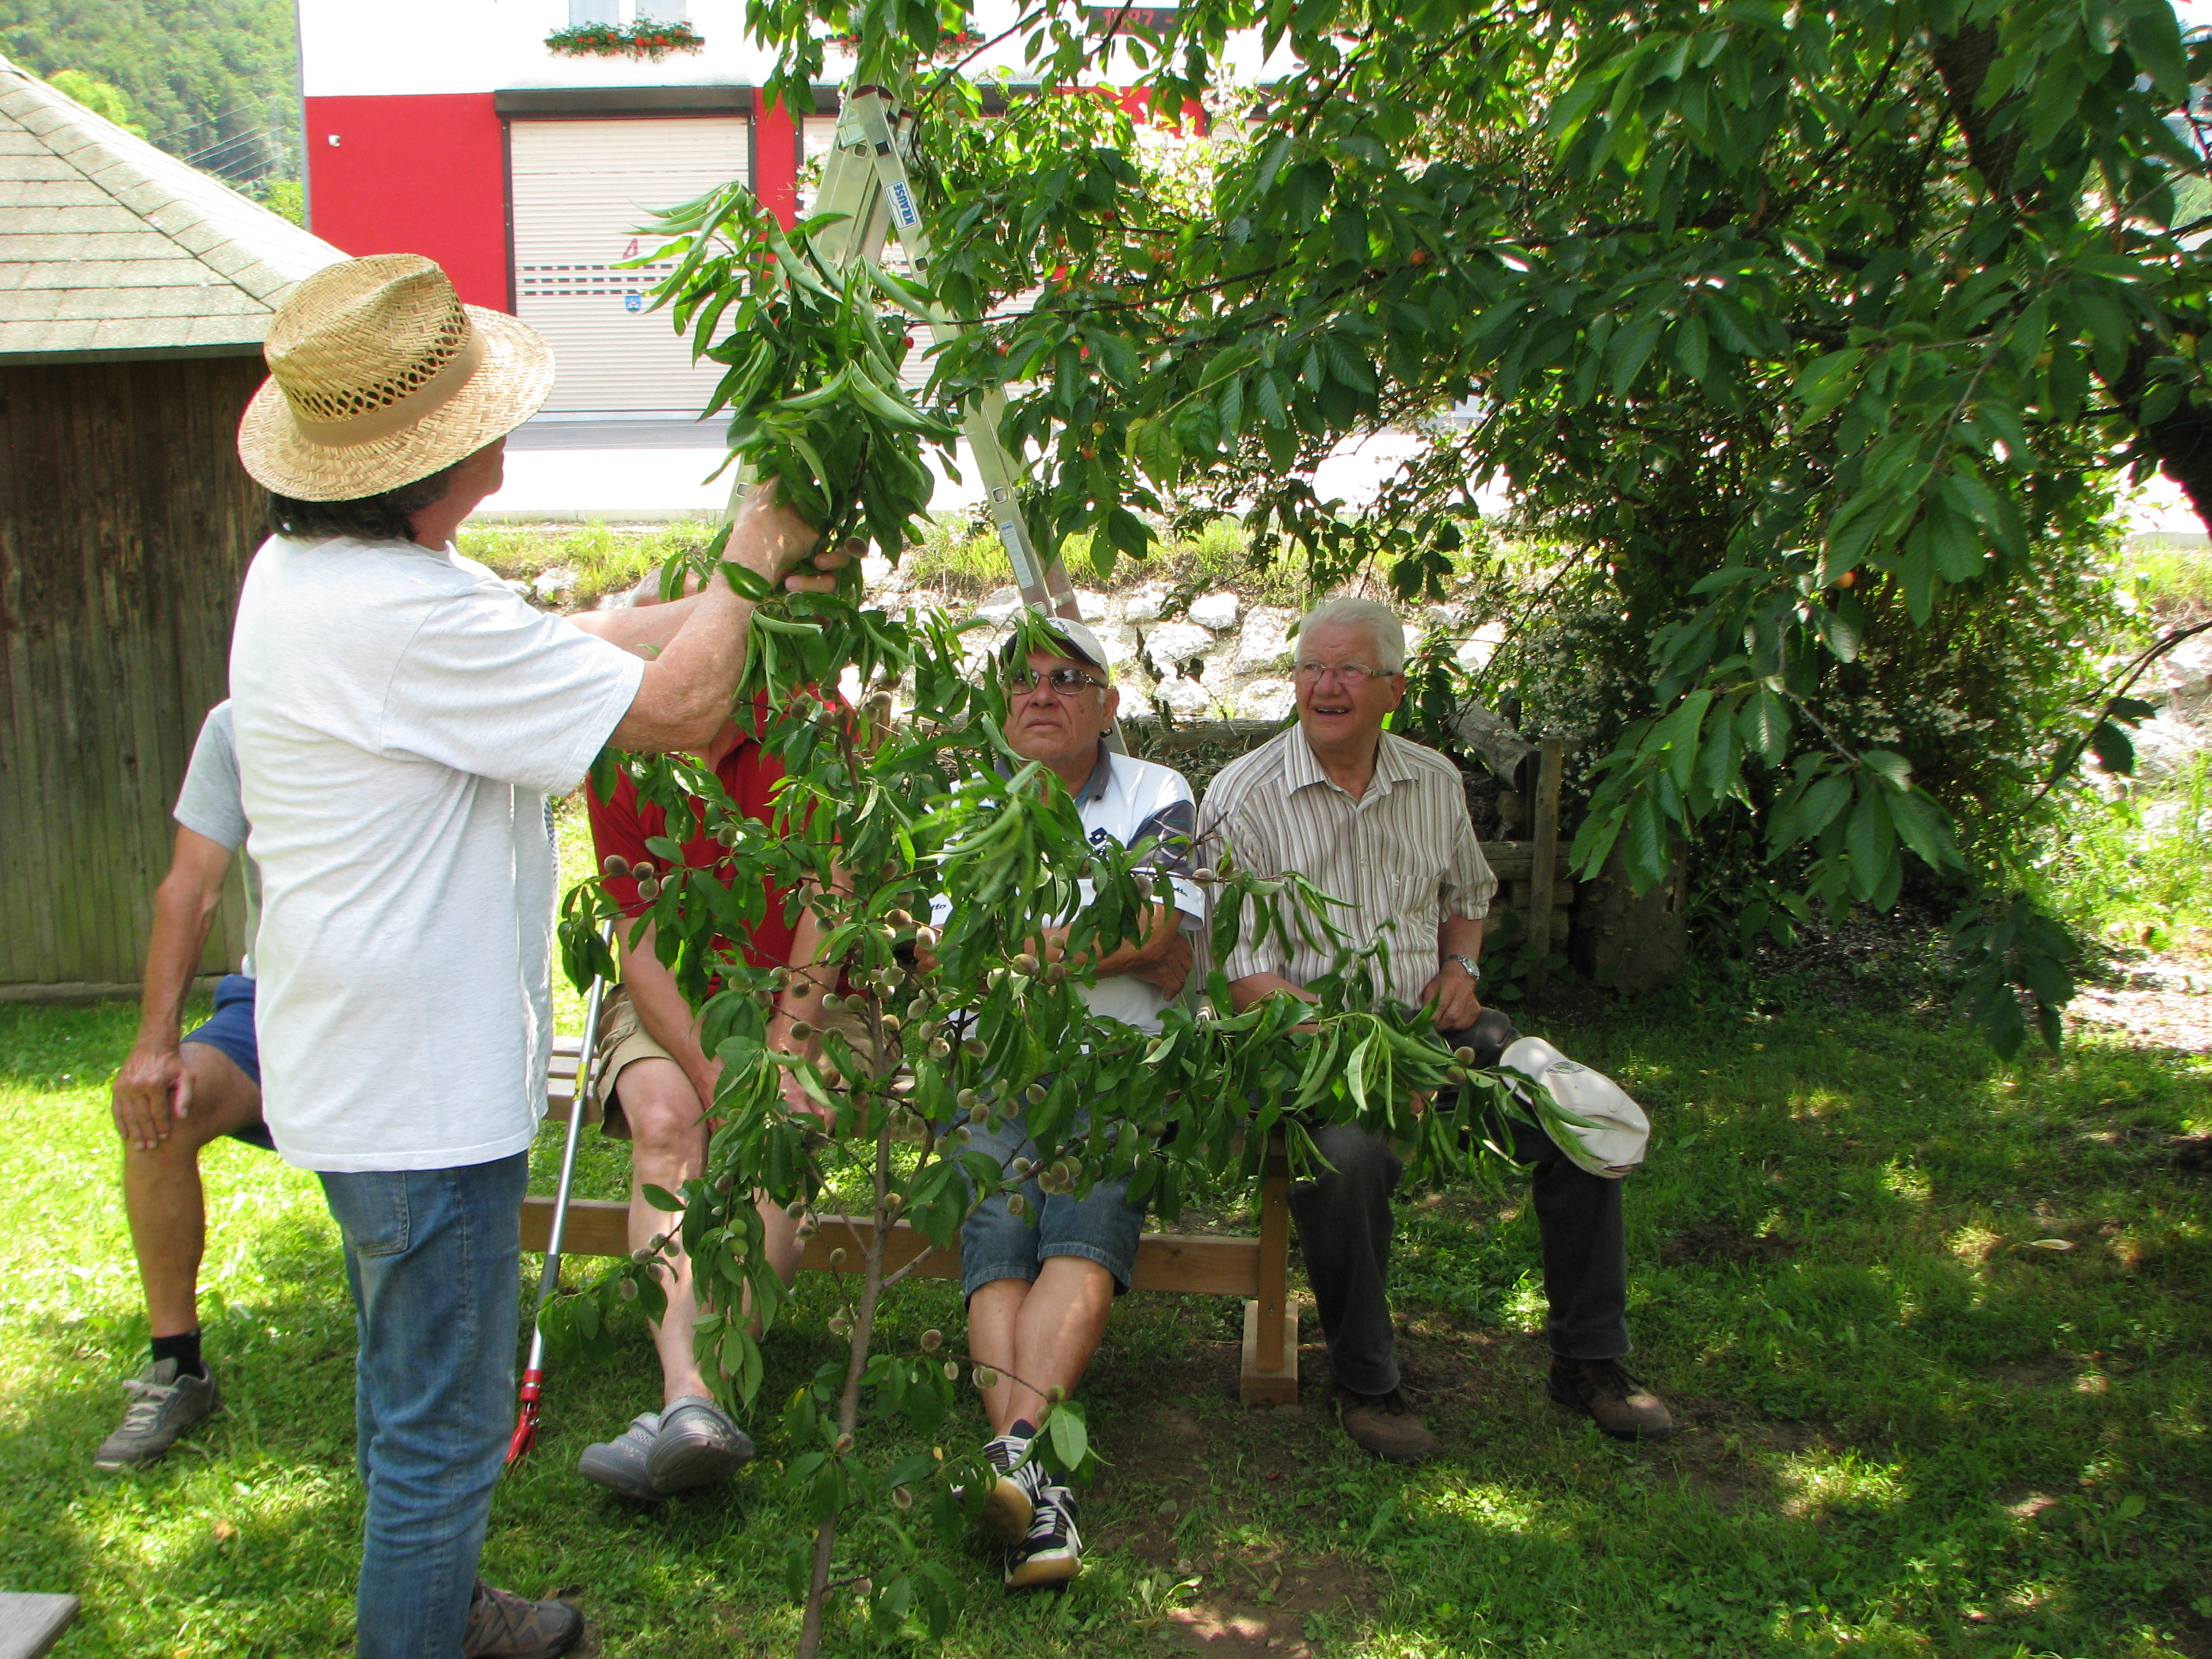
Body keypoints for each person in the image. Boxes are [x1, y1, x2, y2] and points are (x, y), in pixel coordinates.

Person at [227, 253, 848, 1659]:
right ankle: (424, 1625)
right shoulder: (401, 615)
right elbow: (680, 708)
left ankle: (447, 1605)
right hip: (417, 1094)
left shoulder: (316, 573)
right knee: (442, 1437)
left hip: (357, 1065)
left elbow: (557, 641)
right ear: (424, 462)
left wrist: (731, 596)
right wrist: (754, 545)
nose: (503, 426)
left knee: (411, 1389)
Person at [1202, 596, 1673, 1464]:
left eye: (1349, 670)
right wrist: (1375, 1060)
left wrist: (1462, 970)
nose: (1325, 686)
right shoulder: (1244, 797)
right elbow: (1246, 977)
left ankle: (1590, 1359)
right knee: (1344, 1159)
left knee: (1576, 1115)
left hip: (1434, 1029)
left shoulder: (1433, 780)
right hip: (1314, 1050)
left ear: (1393, 689)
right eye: (1311, 668)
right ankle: (1367, 1379)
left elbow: (1468, 897)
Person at [944, 615, 1204, 1589]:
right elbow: (944, 953)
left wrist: (1010, 948)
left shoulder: (1156, 792)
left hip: (1116, 1065)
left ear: (1107, 704)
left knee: (1082, 1226)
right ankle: (1032, 1480)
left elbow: (1156, 927)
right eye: (1024, 679)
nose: (1042, 693)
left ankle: (1012, 1462)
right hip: (991, 1064)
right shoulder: (966, 804)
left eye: (1067, 678)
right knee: (998, 1230)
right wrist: (1115, 947)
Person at [573, 704, 838, 1500]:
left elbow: (831, 901)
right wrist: (703, 1065)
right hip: (678, 999)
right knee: (663, 1121)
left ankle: (695, 1401)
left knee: (780, 1125)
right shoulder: (619, 748)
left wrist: (784, 1053)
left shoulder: (814, 723)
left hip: (810, 999)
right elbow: (639, 938)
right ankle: (690, 1399)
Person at [99, 702, 266, 1470]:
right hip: (272, 1006)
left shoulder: (437, 681)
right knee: (157, 1112)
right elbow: (192, 883)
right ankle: (177, 1365)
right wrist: (153, 1045)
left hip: (406, 1019)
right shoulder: (239, 724)